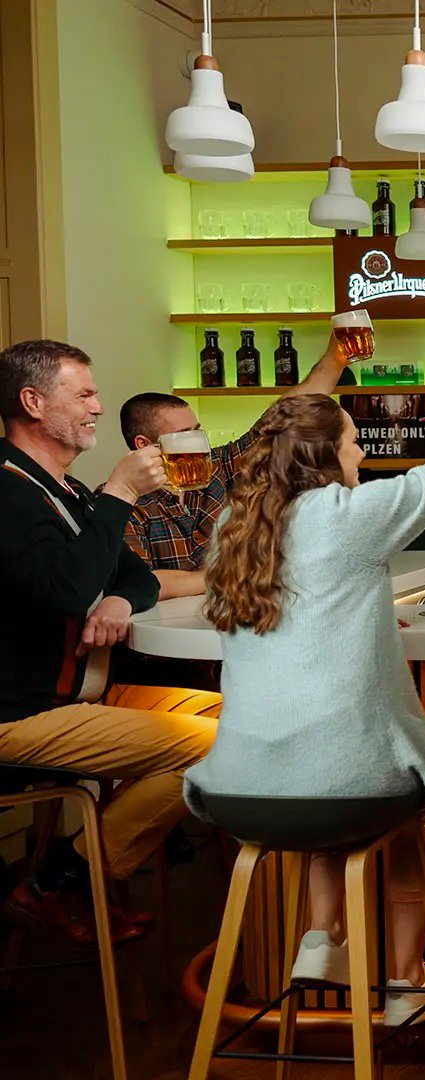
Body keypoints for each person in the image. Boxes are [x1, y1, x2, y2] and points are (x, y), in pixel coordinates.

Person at [185, 352, 425, 1027]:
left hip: (238, 787)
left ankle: (321, 937)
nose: (361, 454)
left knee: (323, 783)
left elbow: (303, 606)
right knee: (405, 822)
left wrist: (365, 615)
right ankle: (406, 984)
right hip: (337, 784)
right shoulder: (349, 516)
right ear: (325, 456)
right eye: (353, 442)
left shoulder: (233, 528)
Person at [0, 339, 218, 944]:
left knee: (249, 722)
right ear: (34, 402)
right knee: (219, 749)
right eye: (86, 394)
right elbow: (69, 588)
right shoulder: (10, 493)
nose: (99, 407)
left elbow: (134, 576)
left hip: (86, 696)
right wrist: (120, 491)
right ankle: (57, 882)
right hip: (25, 714)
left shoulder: (63, 491)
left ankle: (76, 876)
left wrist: (121, 599)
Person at [117, 330, 350, 600]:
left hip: (237, 621)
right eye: (184, 434)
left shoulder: (215, 467)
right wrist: (233, 573)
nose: (197, 443)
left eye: (197, 430)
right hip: (163, 636)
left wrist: (334, 359)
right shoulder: (122, 499)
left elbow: (284, 418)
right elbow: (142, 583)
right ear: (144, 445)